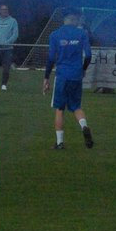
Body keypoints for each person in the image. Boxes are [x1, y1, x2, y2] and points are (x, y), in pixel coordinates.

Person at [42, 9, 93, 150]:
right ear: (75, 19)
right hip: (76, 75)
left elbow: (52, 58)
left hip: (62, 75)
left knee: (59, 108)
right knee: (76, 106)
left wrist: (46, 77)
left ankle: (59, 143)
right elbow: (88, 55)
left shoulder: (55, 34)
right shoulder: (82, 34)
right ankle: (84, 126)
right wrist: (83, 69)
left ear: (64, 20)